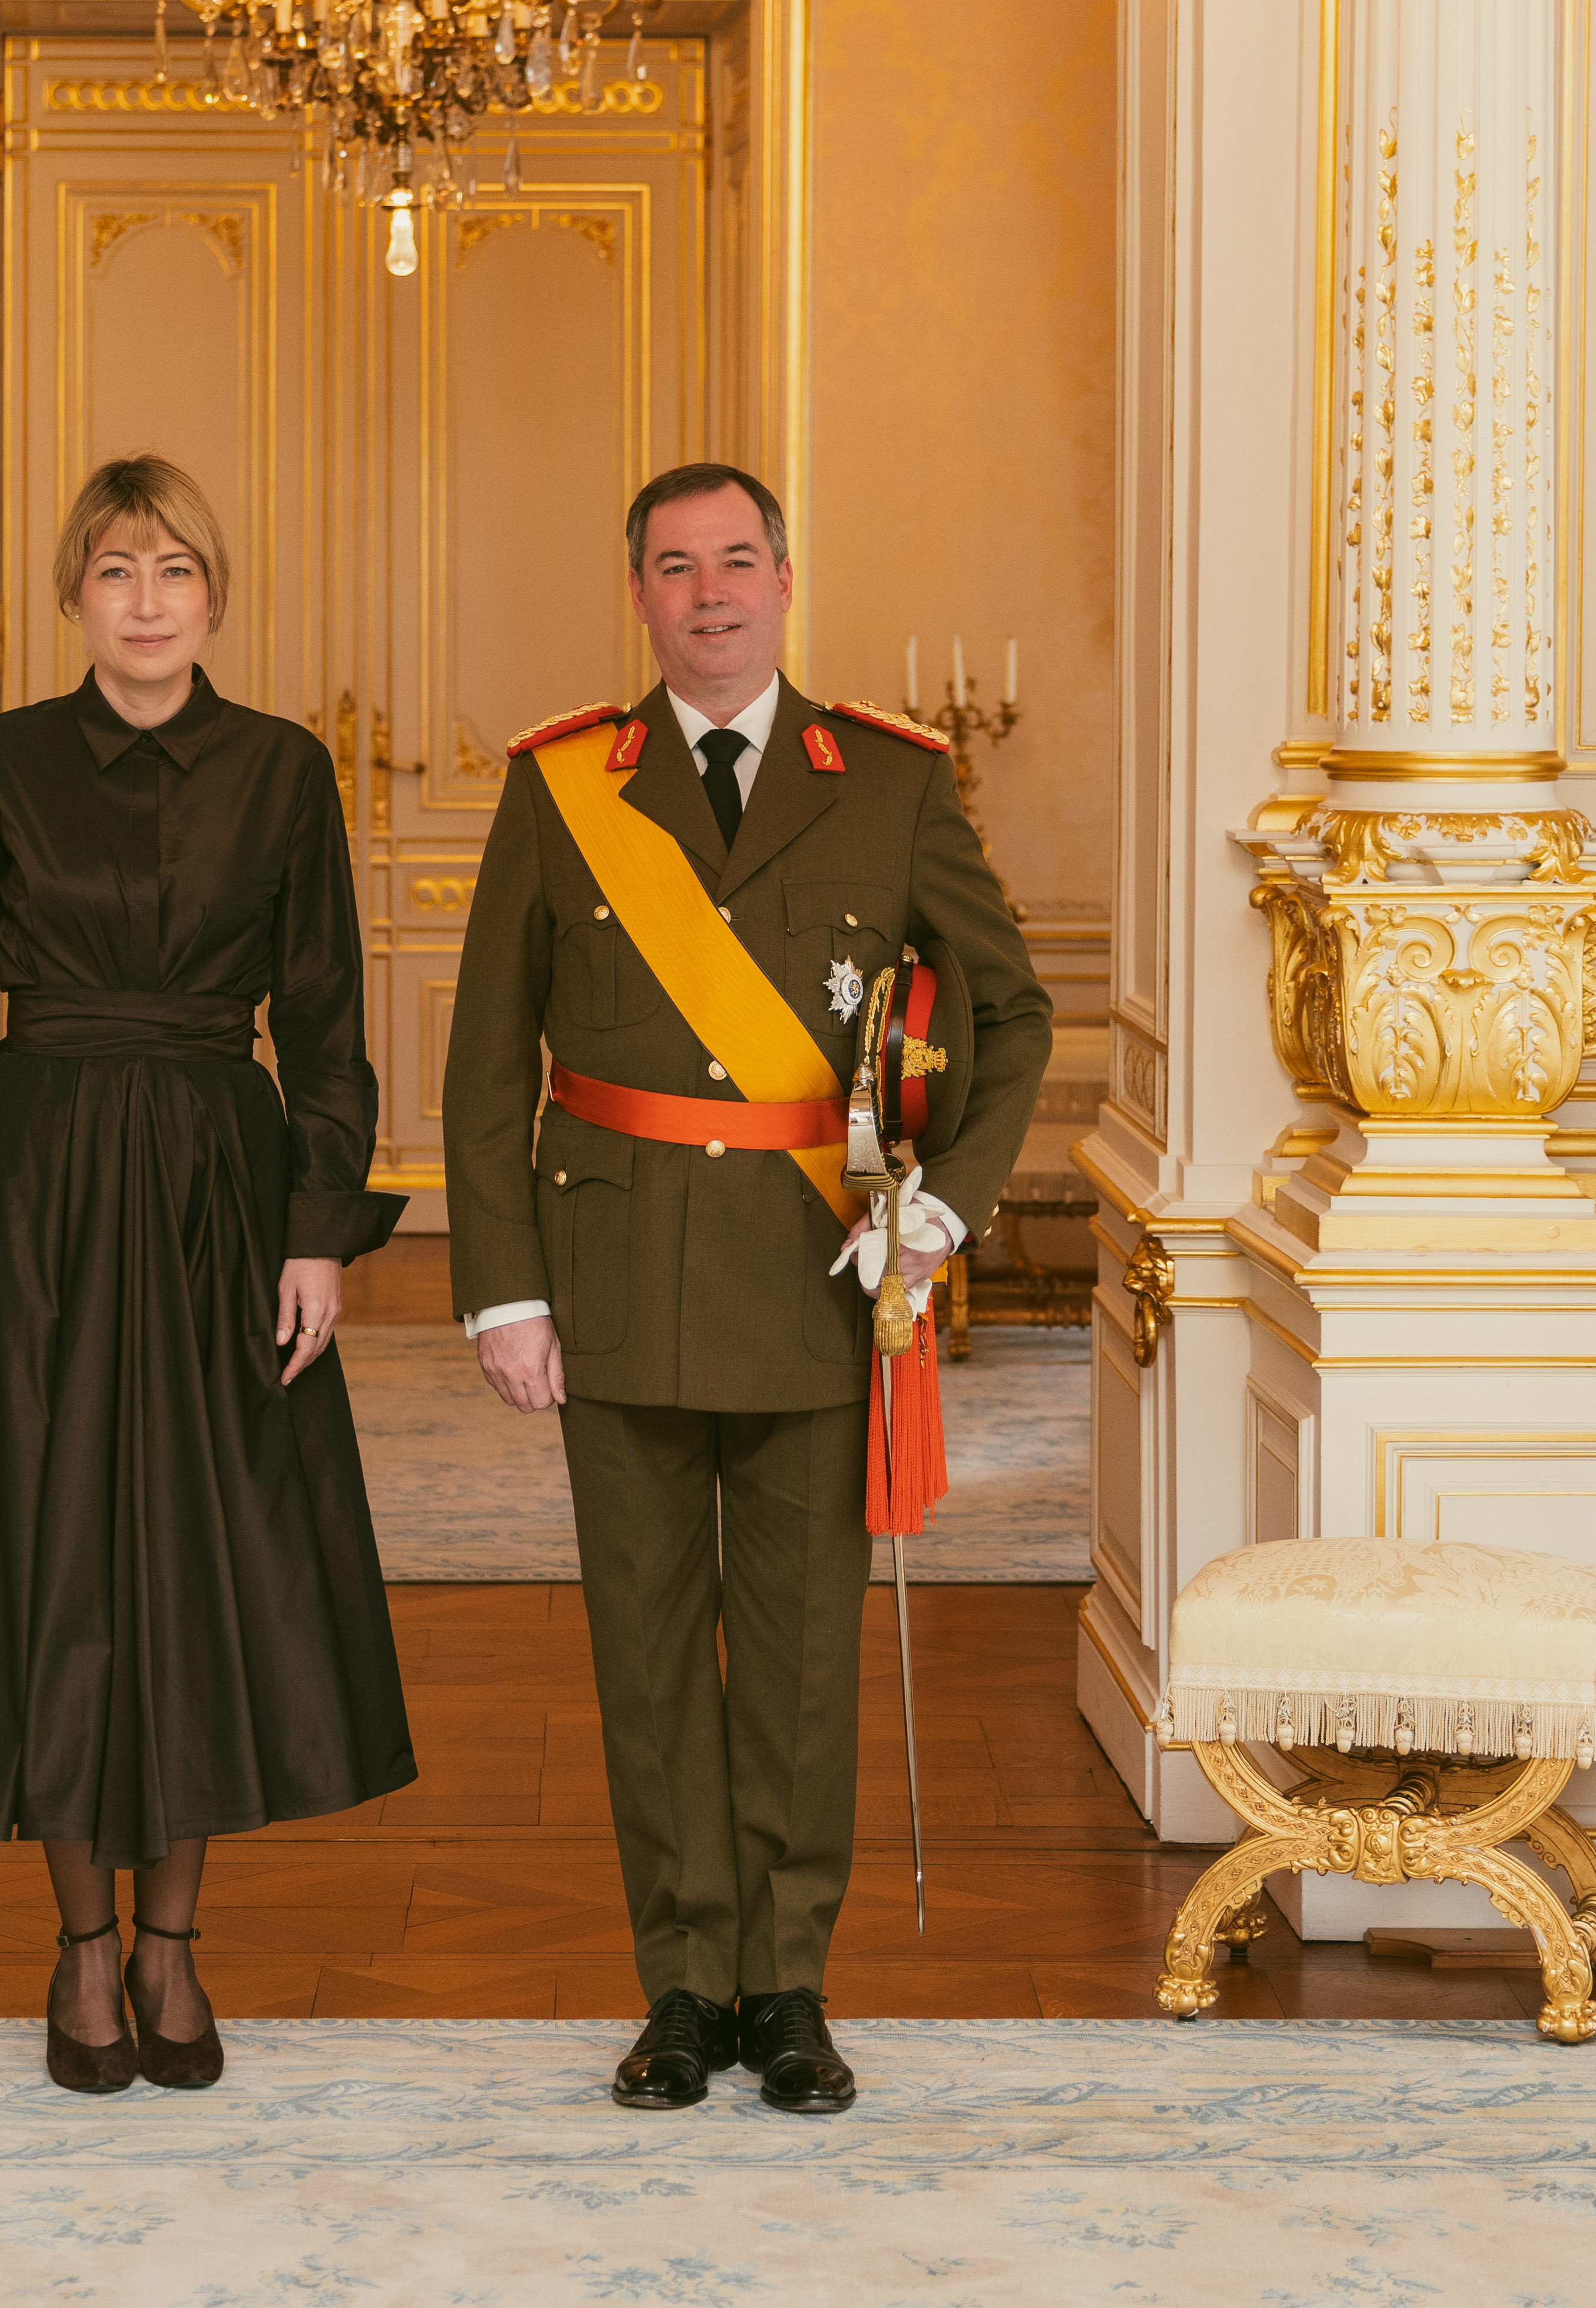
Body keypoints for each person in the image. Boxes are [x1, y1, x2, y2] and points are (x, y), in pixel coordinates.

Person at [441, 462, 1051, 2116]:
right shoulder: (567, 784)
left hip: (813, 1280)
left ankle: (787, 1988)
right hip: (617, 1272)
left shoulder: (893, 783)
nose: (708, 594)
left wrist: (938, 1216)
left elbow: (1013, 1018)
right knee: (643, 1656)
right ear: (634, 594)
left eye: (736, 561)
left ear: (787, 578)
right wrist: (503, 1290)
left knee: (796, 1657)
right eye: (672, 567)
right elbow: (489, 1054)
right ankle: (680, 1990)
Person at [0, 454, 415, 2098]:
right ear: (74, 598)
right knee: (51, 1562)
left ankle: (175, 1947)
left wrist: (316, 1227)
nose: (147, 603)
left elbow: (330, 1025)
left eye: (176, 573)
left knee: (205, 1562)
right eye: (116, 573)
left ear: (214, 595)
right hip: (37, 1193)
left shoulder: (284, 772)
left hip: (223, 1195)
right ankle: (80, 1949)